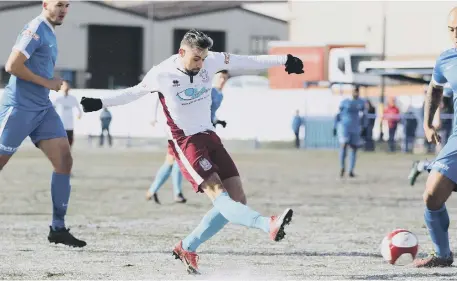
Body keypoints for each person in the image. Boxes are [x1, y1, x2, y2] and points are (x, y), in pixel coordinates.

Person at [80, 29, 303, 274]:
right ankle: (266, 224)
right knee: (219, 194)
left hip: (209, 136)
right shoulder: (161, 73)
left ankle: (187, 246)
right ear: (182, 52)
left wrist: (284, 60)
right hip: (186, 142)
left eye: (204, 58)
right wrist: (101, 102)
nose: (200, 64)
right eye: (196, 59)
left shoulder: (210, 60)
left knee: (238, 199)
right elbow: (134, 92)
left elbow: (245, 61)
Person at [0, 0, 85, 247]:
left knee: (64, 161)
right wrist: (47, 83)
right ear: (45, 4)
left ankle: (58, 229)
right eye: (58, 4)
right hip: (19, 109)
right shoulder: (35, 28)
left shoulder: (49, 30)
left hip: (43, 109)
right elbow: (12, 65)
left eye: (67, 5)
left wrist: (47, 85)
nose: (63, 10)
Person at [412, 7, 457, 267]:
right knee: (432, 195)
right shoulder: (446, 59)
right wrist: (428, 123)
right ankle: (442, 255)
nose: (455, 35)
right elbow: (435, 88)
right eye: (451, 30)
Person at [408, 89, 452, 186]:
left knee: (448, 163)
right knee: (447, 163)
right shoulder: (448, 85)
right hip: (448, 128)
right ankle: (423, 166)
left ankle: (423, 165)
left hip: (449, 126)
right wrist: (437, 119)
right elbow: (438, 100)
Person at [333, 86, 367, 177]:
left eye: (357, 91)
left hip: (355, 128)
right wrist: (335, 126)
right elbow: (338, 114)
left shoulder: (361, 102)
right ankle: (342, 167)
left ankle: (351, 170)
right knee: (343, 146)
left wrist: (364, 126)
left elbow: (364, 115)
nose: (356, 93)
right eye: (354, 91)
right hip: (345, 127)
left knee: (354, 148)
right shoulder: (345, 102)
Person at [53, 80, 82, 148]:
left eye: (67, 86)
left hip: (70, 125)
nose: (66, 87)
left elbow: (78, 109)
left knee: (70, 142)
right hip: (60, 125)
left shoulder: (72, 98)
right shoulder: (58, 98)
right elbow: (51, 108)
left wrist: (79, 114)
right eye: (64, 86)